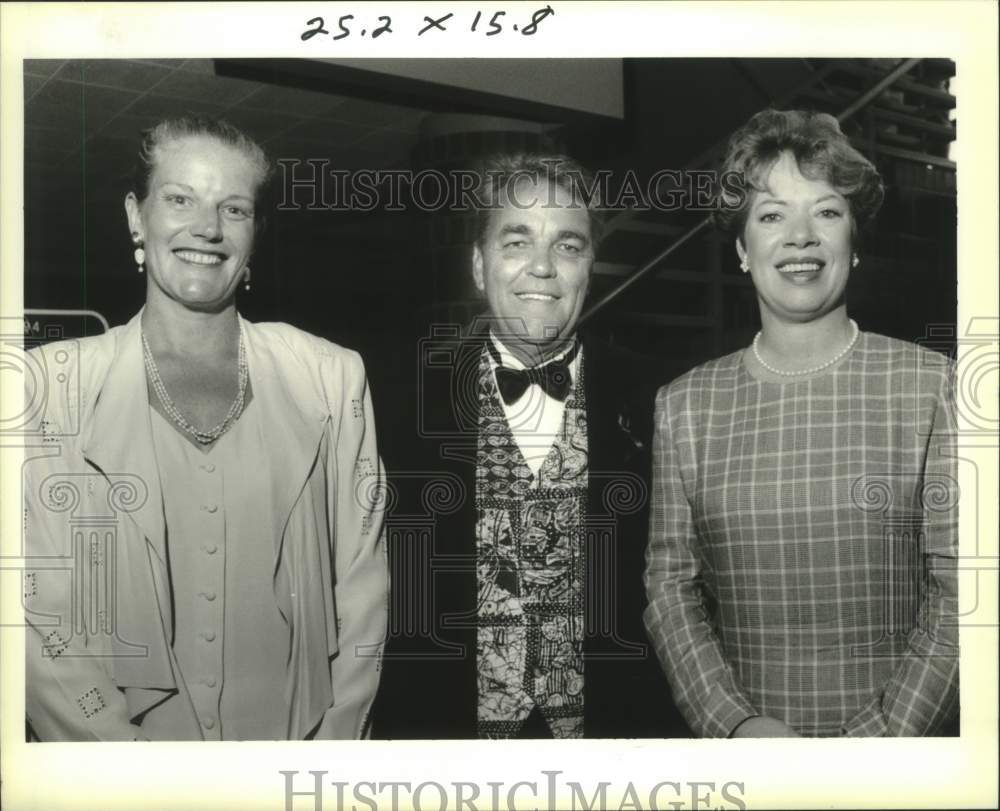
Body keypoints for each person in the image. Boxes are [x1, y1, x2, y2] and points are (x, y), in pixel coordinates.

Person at [22, 116, 387, 741]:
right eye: (180, 198)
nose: (208, 228)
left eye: (234, 208)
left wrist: (324, 764)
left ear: (255, 234)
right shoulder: (48, 386)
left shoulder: (331, 378)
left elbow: (363, 590)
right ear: (136, 217)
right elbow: (39, 618)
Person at [643, 109, 959, 738]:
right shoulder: (684, 405)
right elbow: (669, 589)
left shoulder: (934, 386)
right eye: (771, 214)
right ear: (741, 247)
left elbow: (962, 594)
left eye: (827, 211)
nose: (800, 237)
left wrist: (873, 744)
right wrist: (734, 726)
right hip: (744, 764)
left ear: (854, 239)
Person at [372, 153, 688, 739]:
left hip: (615, 747)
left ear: (590, 267)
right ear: (477, 264)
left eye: (568, 246)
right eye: (517, 242)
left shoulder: (661, 399)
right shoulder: (394, 402)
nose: (542, 267)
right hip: (443, 749)